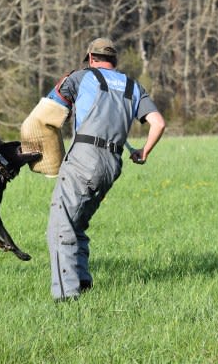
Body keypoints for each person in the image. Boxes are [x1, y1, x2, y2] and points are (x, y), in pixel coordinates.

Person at [44, 37, 165, 301]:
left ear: (90, 58)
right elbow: (158, 123)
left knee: (59, 226)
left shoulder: (79, 78)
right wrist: (143, 151)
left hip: (84, 157)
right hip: (112, 164)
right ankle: (83, 283)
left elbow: (48, 111)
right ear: (114, 61)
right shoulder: (133, 86)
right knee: (76, 223)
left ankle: (66, 297)